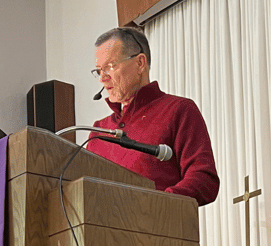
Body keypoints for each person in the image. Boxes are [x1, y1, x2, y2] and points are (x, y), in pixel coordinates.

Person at [87, 27, 220, 206]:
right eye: (99, 70)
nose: (103, 78)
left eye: (110, 67)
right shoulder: (98, 131)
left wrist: (156, 204)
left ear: (140, 63)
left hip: (161, 229)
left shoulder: (178, 110)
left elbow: (204, 180)